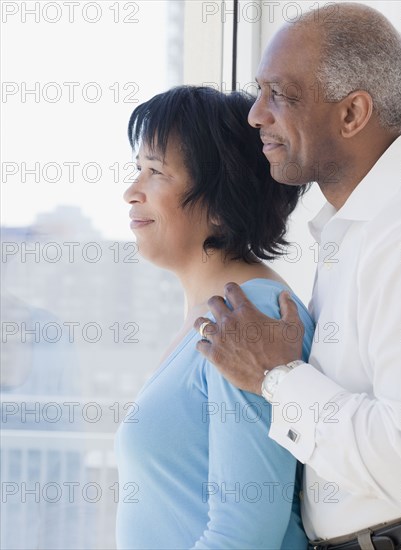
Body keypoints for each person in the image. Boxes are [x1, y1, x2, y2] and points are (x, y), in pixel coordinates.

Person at [194, 3, 401, 549]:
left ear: (352, 114)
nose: (255, 116)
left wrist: (277, 376)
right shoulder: (355, 229)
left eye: (280, 95)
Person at [115, 85, 315, 549]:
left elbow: (245, 535)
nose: (130, 192)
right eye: (136, 170)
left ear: (222, 204)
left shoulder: (250, 317)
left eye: (155, 172)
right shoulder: (215, 316)